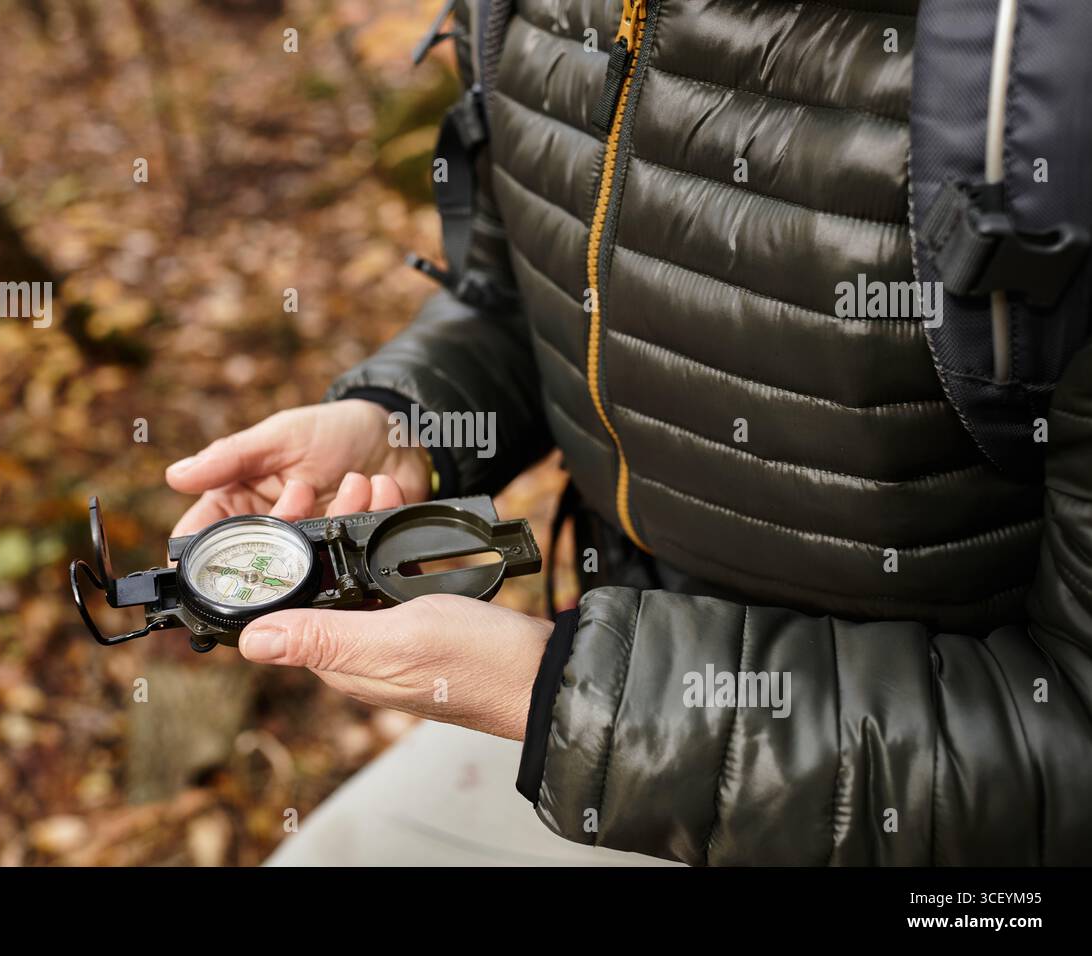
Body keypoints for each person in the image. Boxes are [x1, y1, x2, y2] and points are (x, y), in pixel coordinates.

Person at [165, 0, 1092, 865]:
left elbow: (1074, 739)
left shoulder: (1052, 79)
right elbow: (525, 294)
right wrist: (402, 419)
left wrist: (562, 698)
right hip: (606, 670)